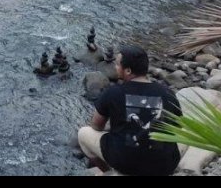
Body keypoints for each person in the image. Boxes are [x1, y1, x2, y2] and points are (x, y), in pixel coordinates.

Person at [78, 45, 183, 176]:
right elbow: (177, 128)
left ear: (128, 70)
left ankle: (110, 172)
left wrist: (116, 128)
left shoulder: (113, 92)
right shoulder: (168, 93)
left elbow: (96, 126)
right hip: (164, 166)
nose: (115, 67)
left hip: (126, 164)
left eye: (117, 64)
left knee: (83, 133)